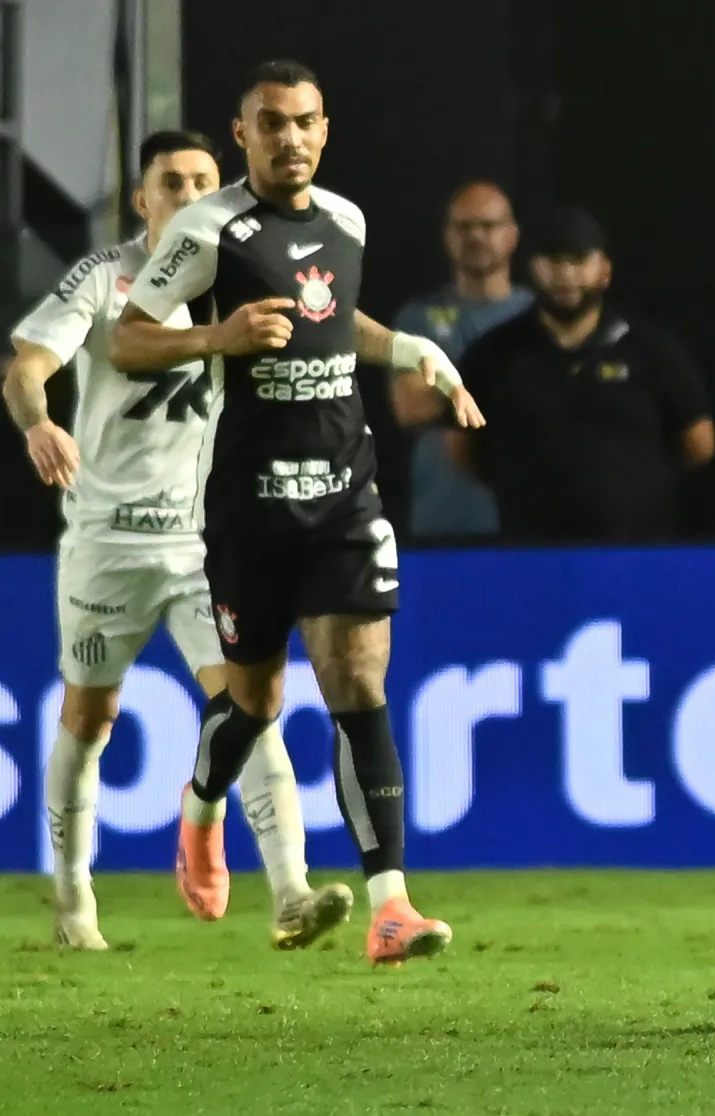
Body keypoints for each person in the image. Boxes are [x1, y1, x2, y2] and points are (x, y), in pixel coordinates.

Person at [110, 61, 484, 966]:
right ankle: (201, 809)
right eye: (272, 123)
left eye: (306, 122)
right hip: (250, 506)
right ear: (242, 134)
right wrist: (215, 337)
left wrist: (411, 350)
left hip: (345, 493)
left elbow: (333, 320)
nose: (292, 138)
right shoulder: (208, 229)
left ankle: (390, 908)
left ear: (326, 127)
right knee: (256, 699)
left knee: (357, 680)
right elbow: (127, 340)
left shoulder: (346, 221)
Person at [2, 130, 348, 951]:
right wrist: (38, 423)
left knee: (250, 705)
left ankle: (292, 894)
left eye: (203, 179)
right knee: (90, 718)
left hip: (203, 544)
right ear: (142, 198)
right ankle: (73, 901)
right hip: (107, 543)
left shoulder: (240, 273)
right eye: (171, 181)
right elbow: (24, 366)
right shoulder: (104, 277)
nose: (190, 193)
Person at [458, 206, 715, 542]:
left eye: (578, 260)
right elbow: (460, 449)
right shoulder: (492, 353)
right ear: (532, 268)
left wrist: (636, 487)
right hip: (526, 554)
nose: (565, 274)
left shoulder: (651, 350)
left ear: (604, 270)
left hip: (636, 553)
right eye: (552, 260)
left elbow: (700, 443)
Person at [391, 181, 533, 538]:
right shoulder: (418, 317)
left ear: (512, 235)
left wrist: (451, 387)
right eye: (464, 227)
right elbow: (411, 406)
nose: (476, 236)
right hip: (445, 517)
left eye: (488, 226)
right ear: (447, 237)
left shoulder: (537, 315)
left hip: (528, 515)